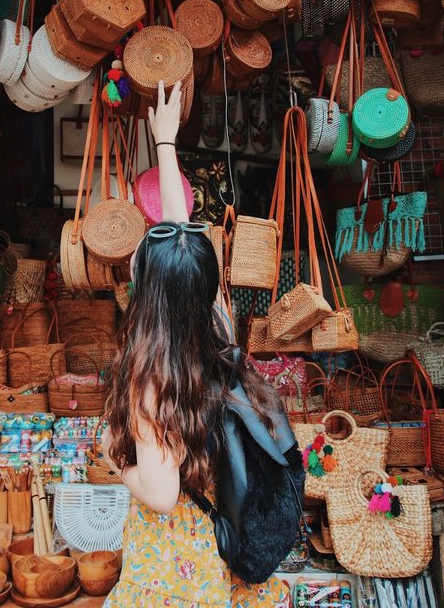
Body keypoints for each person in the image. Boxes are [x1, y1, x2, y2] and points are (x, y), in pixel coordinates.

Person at [99, 81, 290, 607]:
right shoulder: (216, 327)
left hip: (169, 566)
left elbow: (161, 496)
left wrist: (114, 460)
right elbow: (182, 241)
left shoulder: (152, 379)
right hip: (208, 550)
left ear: (151, 294)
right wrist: (164, 142)